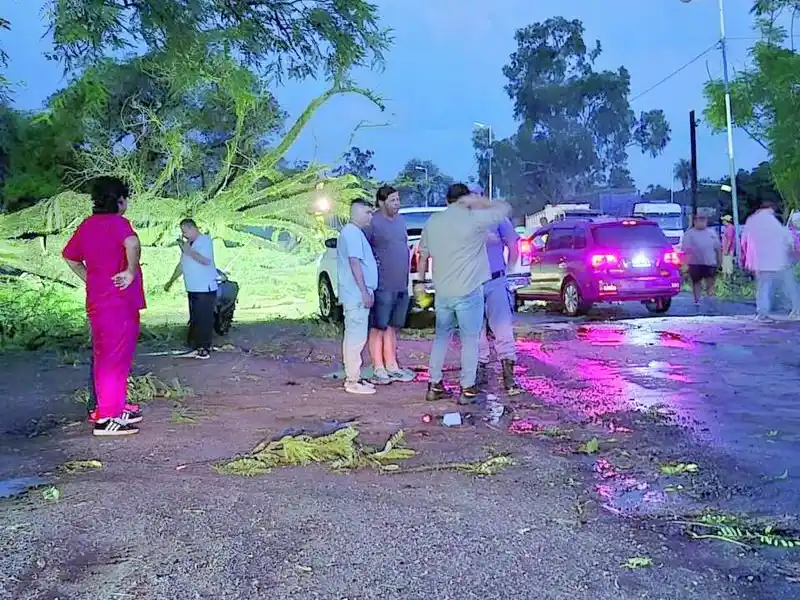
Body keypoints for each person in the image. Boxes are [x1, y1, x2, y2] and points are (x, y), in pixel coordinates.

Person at [62, 177, 145, 436]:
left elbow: (70, 257)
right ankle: (107, 417)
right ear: (119, 200)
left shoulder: (88, 225)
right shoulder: (118, 223)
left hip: (102, 301)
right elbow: (132, 243)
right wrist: (130, 271)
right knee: (112, 359)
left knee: (115, 357)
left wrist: (91, 279)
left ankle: (115, 406)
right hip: (117, 303)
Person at [415, 183, 511, 405]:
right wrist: (479, 201)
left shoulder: (433, 221)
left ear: (446, 200)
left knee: (441, 338)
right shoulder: (473, 219)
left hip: (443, 292)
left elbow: (423, 255)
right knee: (470, 340)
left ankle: (434, 384)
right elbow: (503, 209)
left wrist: (420, 282)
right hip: (469, 291)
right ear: (465, 200)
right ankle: (467, 388)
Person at [366, 185, 415, 385]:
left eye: (397, 200)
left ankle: (392, 364)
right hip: (382, 284)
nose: (397, 204)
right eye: (392, 200)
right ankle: (378, 366)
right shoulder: (372, 223)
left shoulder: (401, 221)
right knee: (378, 325)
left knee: (393, 326)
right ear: (381, 202)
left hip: (400, 283)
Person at [477, 213, 523, 396]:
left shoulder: (497, 218)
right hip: (470, 283)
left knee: (502, 328)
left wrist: (508, 271)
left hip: (495, 280)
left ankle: (509, 378)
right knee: (475, 331)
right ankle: (479, 376)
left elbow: (513, 244)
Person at [337, 199, 379, 395]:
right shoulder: (352, 233)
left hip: (356, 293)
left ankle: (356, 376)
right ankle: (352, 380)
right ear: (357, 213)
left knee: (357, 336)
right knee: (355, 337)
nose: (370, 216)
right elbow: (355, 263)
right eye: (367, 212)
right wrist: (364, 291)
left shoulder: (353, 233)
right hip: (356, 295)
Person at [164, 219, 218, 359]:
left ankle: (204, 349)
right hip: (192, 287)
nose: (184, 235)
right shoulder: (188, 245)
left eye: (185, 231)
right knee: (195, 318)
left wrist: (188, 251)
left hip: (204, 288)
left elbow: (206, 261)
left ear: (193, 228)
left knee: (203, 318)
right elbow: (182, 265)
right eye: (182, 232)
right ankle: (195, 346)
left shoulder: (205, 240)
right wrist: (171, 281)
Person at [740, 201, 800, 320]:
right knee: (789, 285)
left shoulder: (752, 220)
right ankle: (796, 309)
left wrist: (746, 258)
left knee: (763, 286)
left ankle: (762, 312)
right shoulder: (774, 221)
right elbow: (787, 239)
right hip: (779, 260)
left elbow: (744, 241)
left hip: (760, 261)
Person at [681, 214, 721, 306]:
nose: (702, 222)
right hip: (695, 263)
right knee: (696, 282)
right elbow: (685, 250)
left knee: (710, 282)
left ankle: (710, 299)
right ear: (695, 221)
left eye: (703, 220)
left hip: (710, 262)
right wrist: (684, 264)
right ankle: (697, 301)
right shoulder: (690, 233)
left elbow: (718, 248)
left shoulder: (711, 232)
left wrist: (719, 261)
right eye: (699, 220)